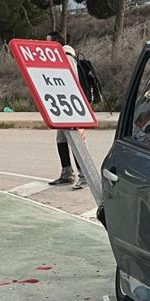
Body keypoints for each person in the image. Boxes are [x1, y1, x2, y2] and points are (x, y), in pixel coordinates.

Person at [45, 31, 87, 190]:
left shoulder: (67, 57)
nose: (46, 46)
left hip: (72, 106)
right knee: (61, 140)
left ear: (56, 44)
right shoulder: (58, 57)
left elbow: (72, 82)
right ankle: (67, 174)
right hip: (64, 106)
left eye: (48, 42)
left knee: (76, 141)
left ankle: (84, 176)